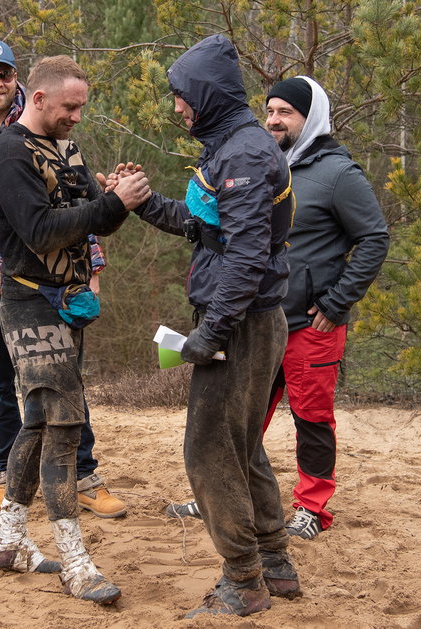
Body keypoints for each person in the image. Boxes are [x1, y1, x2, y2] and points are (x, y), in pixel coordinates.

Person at [121, 34, 300, 617]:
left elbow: (248, 256)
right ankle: (274, 561)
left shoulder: (244, 154)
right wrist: (142, 203)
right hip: (251, 316)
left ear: (208, 93)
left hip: (243, 321)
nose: (177, 107)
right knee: (241, 446)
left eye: (181, 95)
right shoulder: (232, 147)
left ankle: (243, 581)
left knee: (207, 450)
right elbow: (213, 231)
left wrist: (211, 333)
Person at [166, 76, 390, 541]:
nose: (273, 120)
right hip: (262, 318)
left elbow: (374, 239)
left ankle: (313, 506)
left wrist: (337, 301)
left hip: (311, 323)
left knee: (311, 417)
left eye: (285, 112)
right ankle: (224, 494)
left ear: (312, 118)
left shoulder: (338, 174)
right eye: (269, 111)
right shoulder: (263, 163)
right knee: (244, 415)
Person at [0, 39, 126, 518]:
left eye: (5, 74)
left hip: (46, 278)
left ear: (20, 82)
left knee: (63, 377)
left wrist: (91, 264)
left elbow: (75, 204)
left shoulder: (46, 125)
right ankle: (9, 478)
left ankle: (84, 474)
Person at [0, 55, 150, 604]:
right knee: (63, 425)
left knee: (40, 419)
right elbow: (41, 232)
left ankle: (8, 540)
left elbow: (88, 220)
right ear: (40, 98)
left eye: (81, 106)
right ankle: (76, 562)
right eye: (70, 107)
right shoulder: (8, 155)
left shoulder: (63, 148)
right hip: (30, 305)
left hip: (69, 304)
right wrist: (107, 204)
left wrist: (116, 200)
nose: (77, 116)